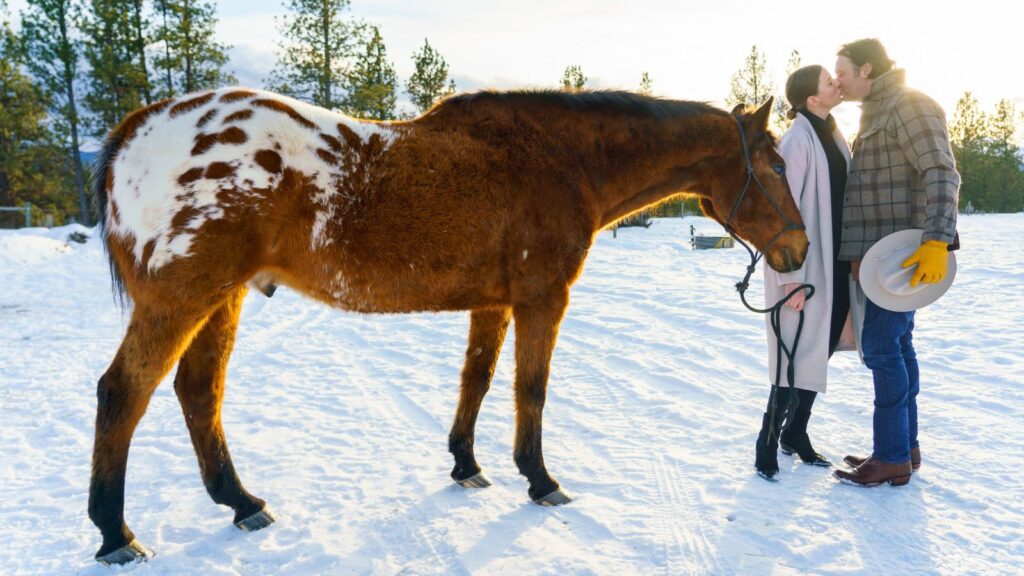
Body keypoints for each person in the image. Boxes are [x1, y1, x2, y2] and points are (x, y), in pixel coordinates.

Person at [832, 39, 960, 486]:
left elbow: (941, 172)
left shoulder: (910, 105)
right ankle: (904, 447)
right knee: (898, 347)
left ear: (866, 69)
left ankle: (891, 457)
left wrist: (937, 241)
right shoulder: (877, 112)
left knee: (885, 350)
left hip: (898, 258)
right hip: (877, 259)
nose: (838, 80)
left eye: (843, 71)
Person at [755, 65, 852, 481]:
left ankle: (795, 432)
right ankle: (766, 442)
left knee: (818, 349)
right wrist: (789, 278)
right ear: (812, 99)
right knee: (792, 357)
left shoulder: (831, 132)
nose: (836, 84)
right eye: (829, 82)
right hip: (803, 268)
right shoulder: (796, 141)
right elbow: (777, 211)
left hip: (834, 263)